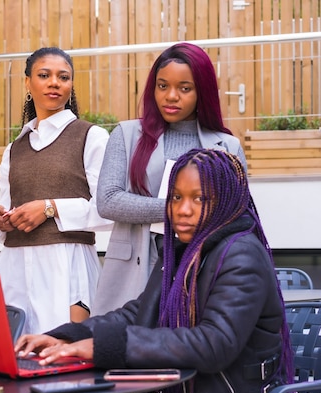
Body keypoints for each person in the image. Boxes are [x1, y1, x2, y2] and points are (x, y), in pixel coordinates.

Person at [14, 149, 294, 393]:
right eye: (175, 197)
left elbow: (213, 344)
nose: (183, 210)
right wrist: (68, 336)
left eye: (200, 199)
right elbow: (140, 312)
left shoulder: (241, 254)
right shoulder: (184, 250)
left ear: (227, 201)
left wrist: (107, 346)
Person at [91, 42, 247, 315]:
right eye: (163, 86)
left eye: (184, 88)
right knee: (121, 345)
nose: (171, 96)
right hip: (134, 268)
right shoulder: (126, 135)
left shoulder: (227, 146)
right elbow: (108, 201)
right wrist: (176, 209)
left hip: (199, 269)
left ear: (202, 91)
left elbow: (238, 214)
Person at [0, 46, 112, 335]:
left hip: (67, 267)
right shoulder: (14, 149)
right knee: (12, 358)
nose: (54, 82)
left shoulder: (91, 137)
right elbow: (8, 204)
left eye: (63, 77)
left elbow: (108, 209)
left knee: (66, 362)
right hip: (14, 269)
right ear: (28, 83)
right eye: (44, 75)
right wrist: (0, 218)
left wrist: (49, 207)